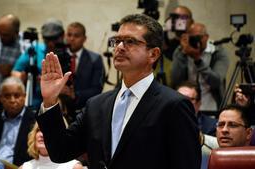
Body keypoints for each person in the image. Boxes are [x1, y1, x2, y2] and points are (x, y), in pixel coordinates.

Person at [36, 14, 201, 169]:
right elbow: (60, 152)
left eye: (130, 41)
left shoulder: (174, 105)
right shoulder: (96, 105)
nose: (120, 47)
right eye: (117, 41)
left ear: (153, 54)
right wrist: (50, 101)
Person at [12, 19, 70, 108]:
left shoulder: (69, 53)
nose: (50, 43)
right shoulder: (35, 49)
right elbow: (15, 72)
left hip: (58, 104)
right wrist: (23, 77)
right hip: (34, 103)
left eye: (54, 39)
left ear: (62, 35)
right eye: (47, 39)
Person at [171, 22, 229, 111]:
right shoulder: (180, 51)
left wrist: (197, 60)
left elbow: (216, 81)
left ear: (206, 37)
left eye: (197, 38)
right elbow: (176, 80)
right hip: (186, 105)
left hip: (211, 106)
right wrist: (182, 53)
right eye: (192, 38)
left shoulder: (218, 52)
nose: (195, 41)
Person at [0, 77, 36, 166]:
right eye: (7, 96)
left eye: (17, 95)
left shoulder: (35, 121)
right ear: (0, 98)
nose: (12, 100)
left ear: (24, 96)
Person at [63, 22, 105, 110]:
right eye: (69, 35)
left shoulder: (95, 59)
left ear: (84, 39)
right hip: (61, 107)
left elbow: (97, 89)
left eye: (76, 36)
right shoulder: (58, 57)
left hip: (85, 108)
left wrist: (75, 95)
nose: (72, 39)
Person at [19, 122, 84, 169]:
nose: (42, 135)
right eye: (38, 130)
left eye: (47, 130)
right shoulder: (25, 167)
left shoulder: (74, 167)